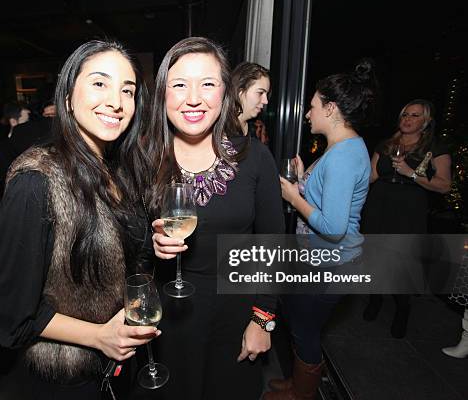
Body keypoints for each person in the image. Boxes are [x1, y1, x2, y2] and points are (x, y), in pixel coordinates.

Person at [0, 40, 157, 399]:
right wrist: (99, 337)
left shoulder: (120, 169)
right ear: (66, 97)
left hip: (119, 366)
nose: (116, 101)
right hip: (68, 379)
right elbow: (8, 315)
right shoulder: (36, 181)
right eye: (99, 83)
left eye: (128, 90)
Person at [147, 37, 284, 400]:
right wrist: (150, 243)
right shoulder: (141, 159)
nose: (194, 98)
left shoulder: (255, 158)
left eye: (207, 83)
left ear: (226, 92)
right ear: (163, 94)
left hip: (237, 313)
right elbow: (120, 245)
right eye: (179, 85)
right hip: (167, 318)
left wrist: (263, 320)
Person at [267, 60, 377, 400]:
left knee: (304, 330)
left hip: (331, 263)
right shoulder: (340, 148)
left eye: (312, 107)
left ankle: (302, 393)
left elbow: (332, 225)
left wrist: (290, 196)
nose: (306, 114)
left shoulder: (344, 155)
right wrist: (302, 182)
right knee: (298, 320)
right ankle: (300, 382)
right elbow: (326, 201)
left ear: (330, 108)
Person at [361, 99, 452, 338]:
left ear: (426, 122)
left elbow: (444, 185)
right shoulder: (387, 144)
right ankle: (375, 300)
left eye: (414, 115)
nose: (407, 119)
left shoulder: (434, 148)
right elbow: (371, 176)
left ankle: (403, 309)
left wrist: (412, 174)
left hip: (408, 211)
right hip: (378, 206)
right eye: (404, 115)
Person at [231, 62, 271, 137]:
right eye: (260, 93)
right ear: (240, 91)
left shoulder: (256, 130)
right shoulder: (217, 130)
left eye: (266, 94)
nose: (266, 101)